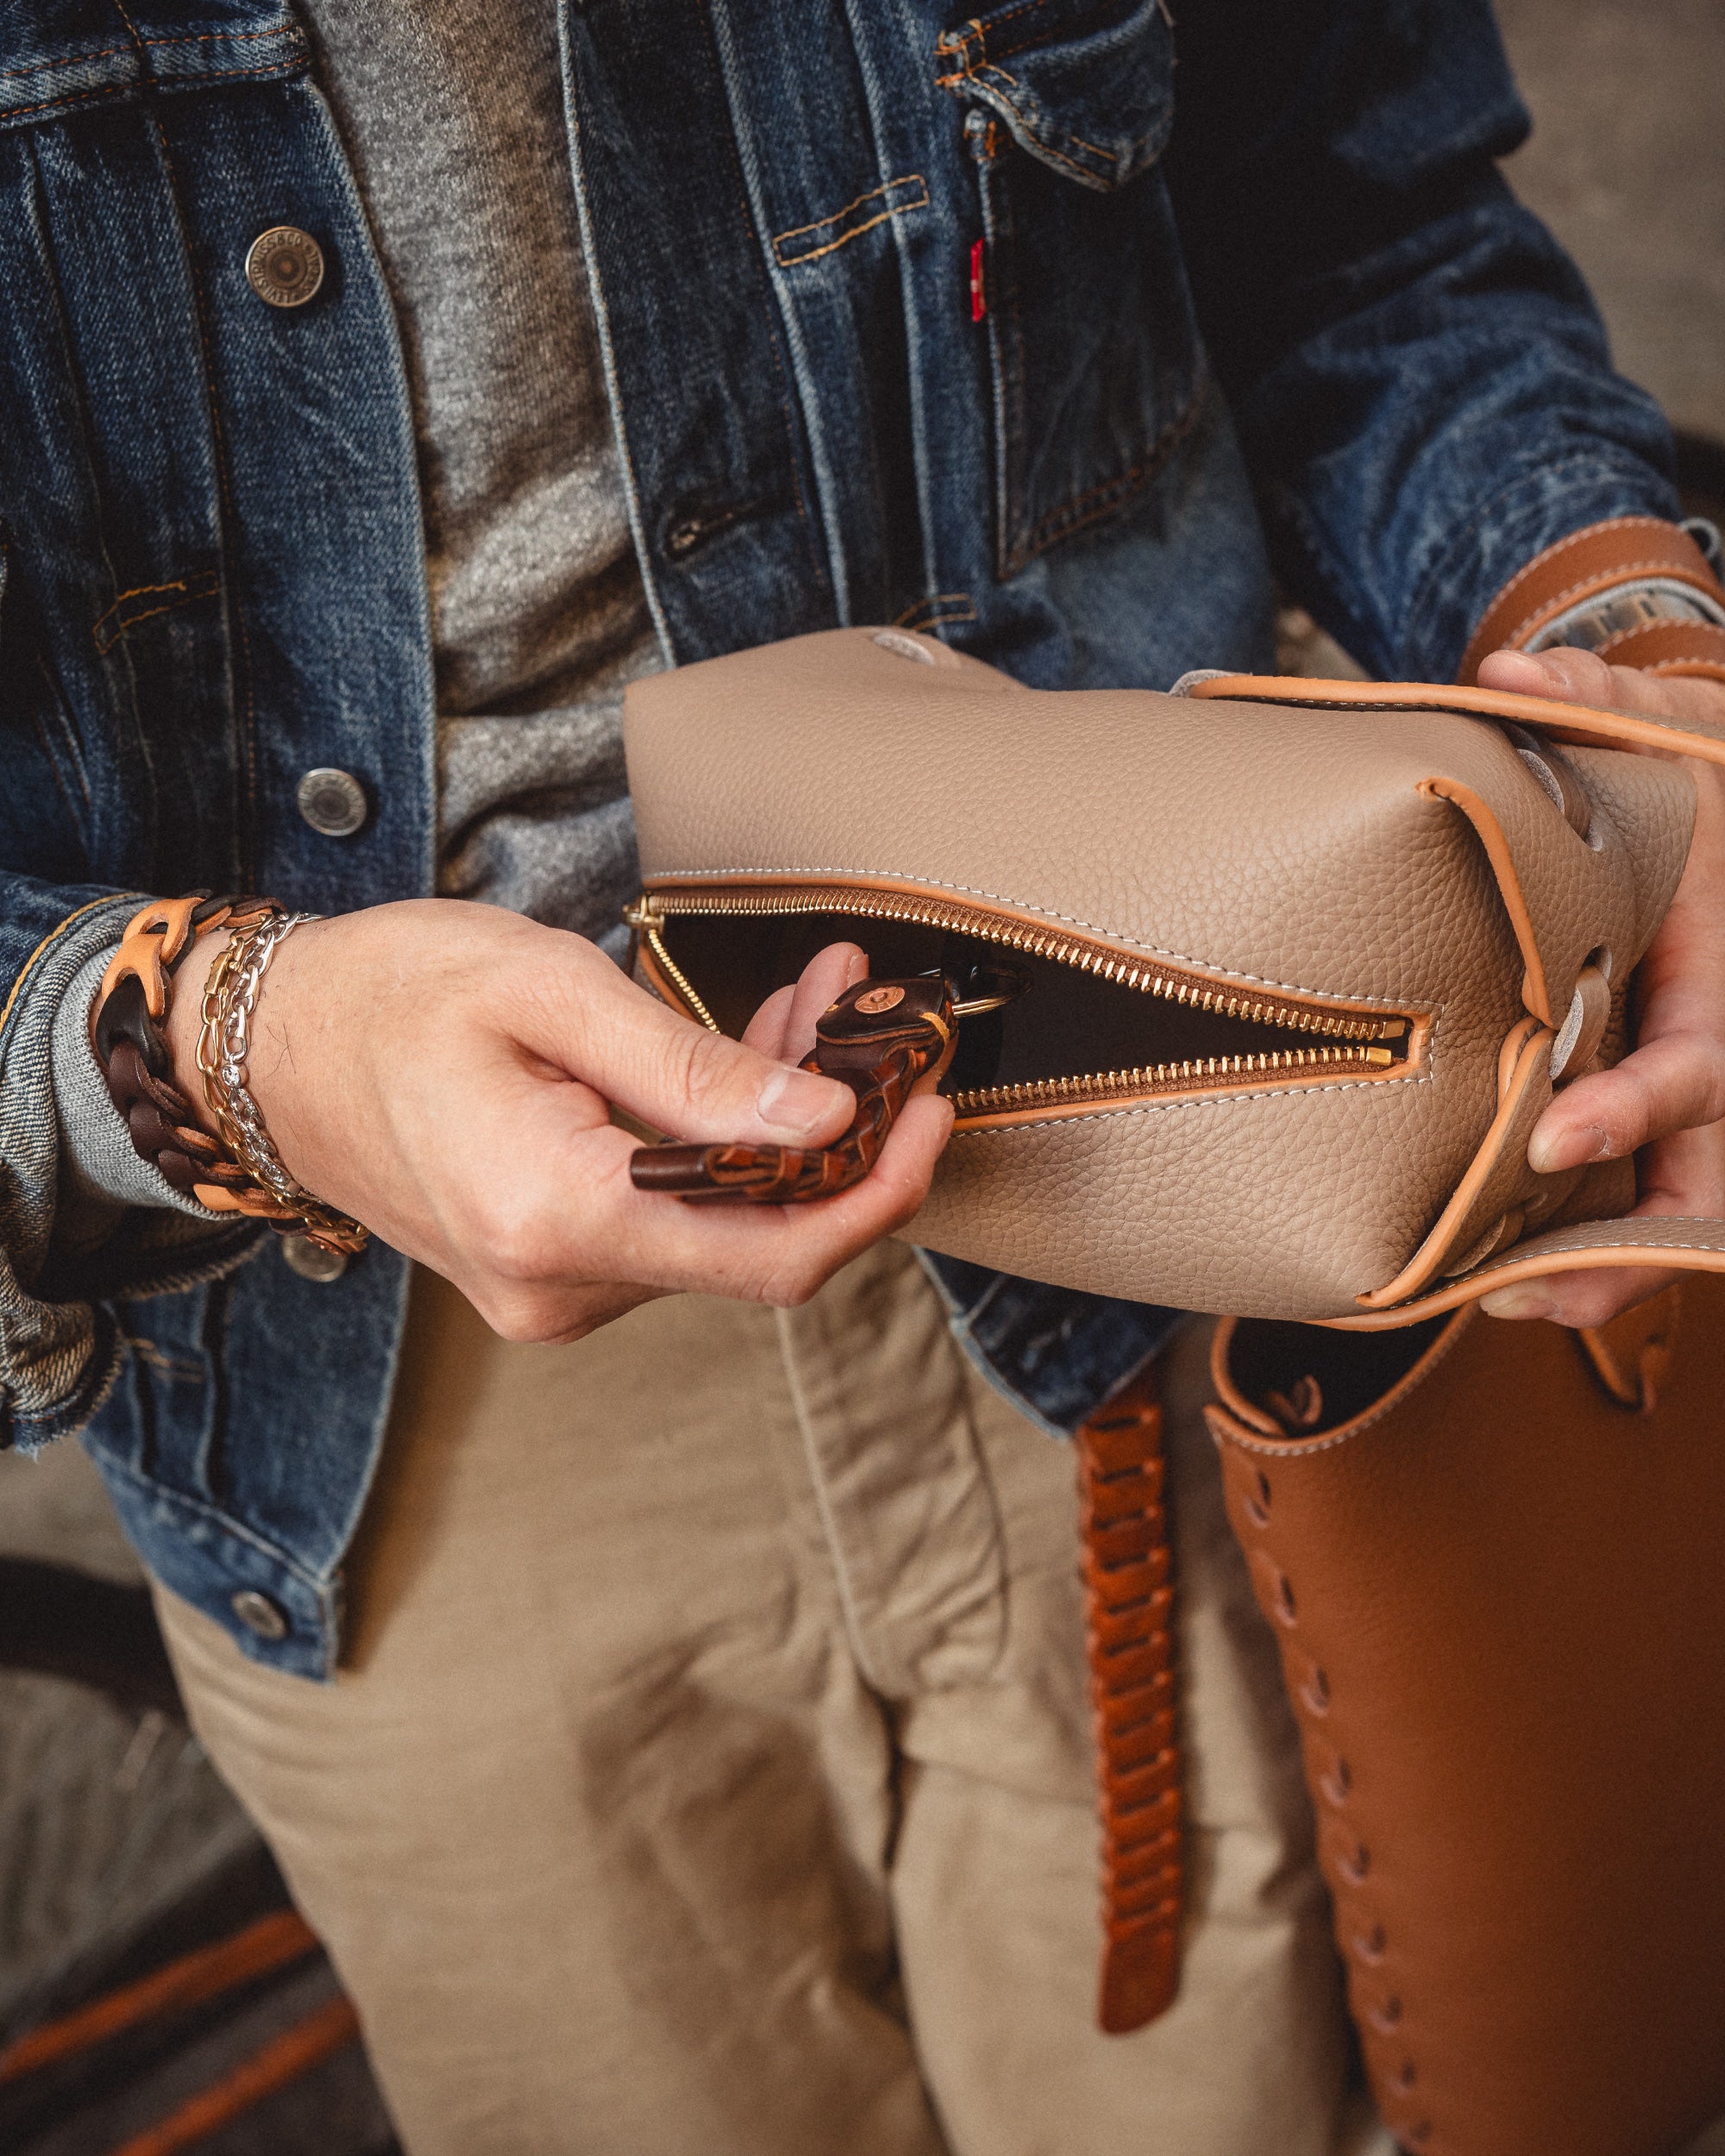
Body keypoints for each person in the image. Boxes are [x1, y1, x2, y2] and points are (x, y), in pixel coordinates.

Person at [3, 0, 1722, 2149]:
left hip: (1184, 1216)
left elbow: (1365, 228)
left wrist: (1653, 690)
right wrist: (236, 1052)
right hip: (373, 1390)